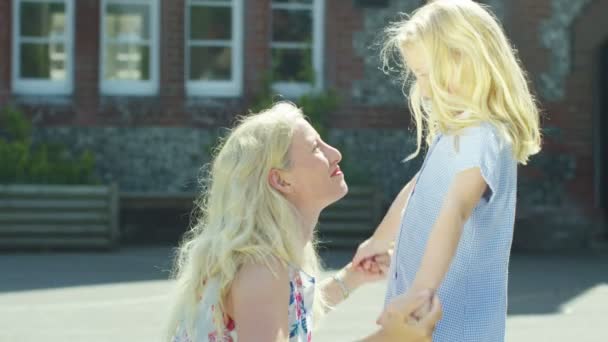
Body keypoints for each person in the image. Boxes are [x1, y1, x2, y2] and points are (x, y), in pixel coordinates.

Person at [165, 102, 441, 342]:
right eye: (315, 148)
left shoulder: (271, 257)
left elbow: (287, 312)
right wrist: (389, 338)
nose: (335, 153)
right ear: (281, 180)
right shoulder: (262, 268)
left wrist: (351, 278)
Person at [352, 1, 541, 341]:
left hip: (454, 323)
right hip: (425, 316)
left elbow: (455, 208)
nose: (422, 88)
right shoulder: (458, 132)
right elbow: (419, 188)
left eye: (426, 74)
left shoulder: (483, 136)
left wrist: (422, 291)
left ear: (464, 59)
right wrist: (379, 239)